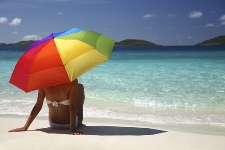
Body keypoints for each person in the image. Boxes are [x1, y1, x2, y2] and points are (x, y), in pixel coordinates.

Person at [9, 79, 85, 135]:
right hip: (69, 124)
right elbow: (73, 107)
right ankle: (80, 122)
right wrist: (72, 129)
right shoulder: (72, 82)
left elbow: (38, 106)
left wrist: (25, 127)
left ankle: (76, 124)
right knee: (80, 87)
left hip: (53, 123)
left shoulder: (43, 83)